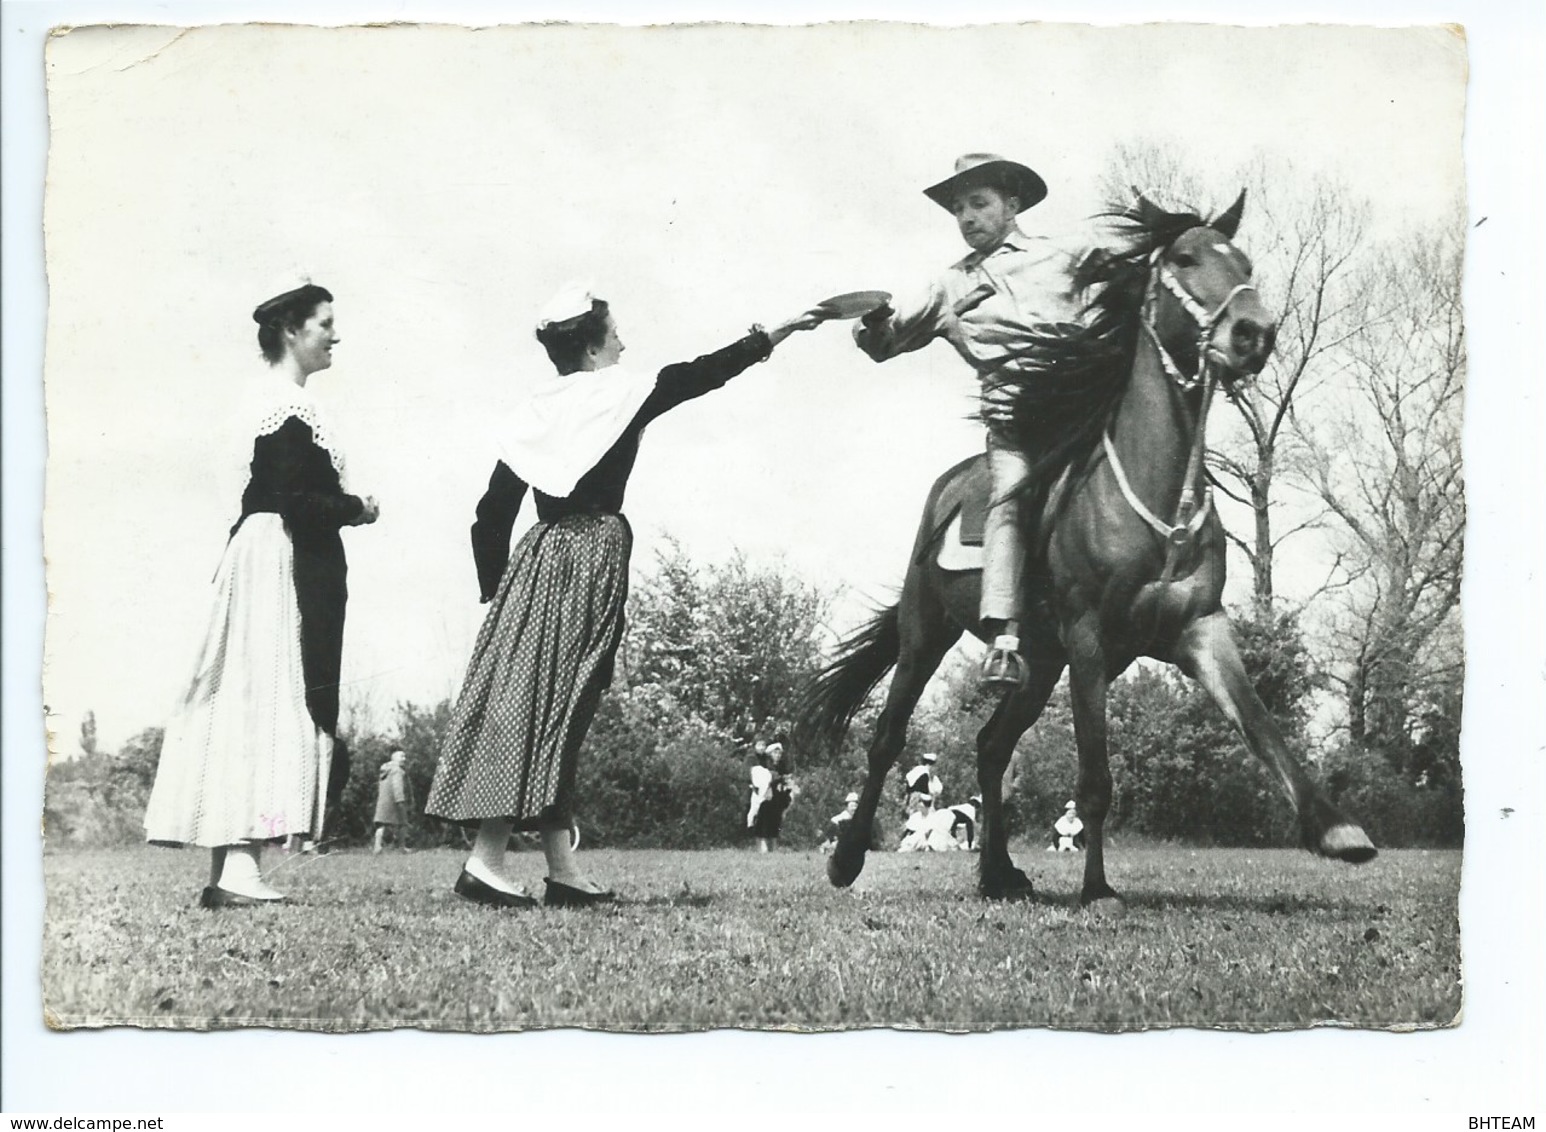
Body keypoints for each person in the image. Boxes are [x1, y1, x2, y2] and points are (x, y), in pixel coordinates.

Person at [425, 284, 823, 907]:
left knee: (546, 708)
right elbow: (701, 375)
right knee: (559, 711)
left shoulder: (535, 410)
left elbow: (489, 514)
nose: (624, 343)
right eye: (615, 334)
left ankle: (561, 871)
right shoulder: (618, 395)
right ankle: (484, 862)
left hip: (535, 560)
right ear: (590, 346)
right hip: (591, 558)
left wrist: (495, 594)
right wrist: (777, 333)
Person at [143, 282, 379, 907]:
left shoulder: (278, 402)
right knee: (267, 701)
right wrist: (358, 508)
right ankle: (239, 870)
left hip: (262, 553)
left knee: (246, 700)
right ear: (291, 332)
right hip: (278, 558)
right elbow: (289, 498)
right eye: (325, 324)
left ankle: (231, 872)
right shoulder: (283, 406)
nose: (335, 334)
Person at [853, 153, 1081, 690]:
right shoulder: (950, 284)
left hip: (1080, 415)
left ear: (1013, 205)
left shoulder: (1062, 259)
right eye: (958, 210)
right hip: (1017, 428)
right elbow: (885, 344)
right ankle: (1004, 641)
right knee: (1011, 499)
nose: (967, 218)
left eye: (978, 204)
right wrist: (873, 322)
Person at [748, 741, 797, 852]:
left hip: (778, 797)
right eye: (775, 753)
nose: (778, 756)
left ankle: (773, 844)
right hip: (766, 797)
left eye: (779, 754)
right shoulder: (764, 765)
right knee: (763, 819)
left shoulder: (782, 767)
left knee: (775, 820)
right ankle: (762, 845)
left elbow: (786, 779)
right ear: (770, 754)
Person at [373, 750, 414, 853]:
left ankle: (377, 846)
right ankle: (401, 847)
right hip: (395, 801)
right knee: (403, 823)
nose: (404, 759)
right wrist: (400, 800)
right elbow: (397, 786)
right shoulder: (397, 770)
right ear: (394, 758)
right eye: (402, 756)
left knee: (381, 824)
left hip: (383, 801)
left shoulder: (385, 770)